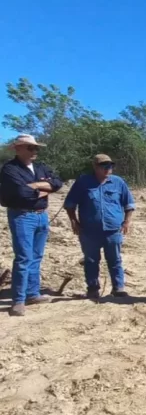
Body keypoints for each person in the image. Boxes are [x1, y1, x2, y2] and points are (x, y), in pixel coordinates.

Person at [0, 134, 63, 316]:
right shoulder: (10, 169)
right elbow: (21, 192)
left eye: (36, 148)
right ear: (18, 148)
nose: (35, 151)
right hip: (22, 216)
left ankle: (32, 294)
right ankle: (18, 300)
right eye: (30, 148)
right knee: (23, 258)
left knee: (36, 256)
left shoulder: (41, 167)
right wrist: (43, 188)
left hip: (41, 216)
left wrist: (36, 186)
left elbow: (57, 183)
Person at [64, 154, 135, 299]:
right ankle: (93, 288)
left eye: (110, 166)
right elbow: (70, 204)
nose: (109, 169)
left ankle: (118, 288)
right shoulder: (83, 182)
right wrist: (73, 220)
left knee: (115, 260)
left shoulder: (118, 182)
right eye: (105, 166)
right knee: (91, 260)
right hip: (88, 231)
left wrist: (127, 221)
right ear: (95, 167)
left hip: (113, 230)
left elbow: (129, 204)